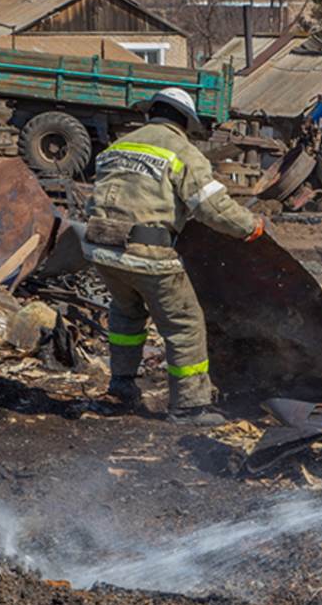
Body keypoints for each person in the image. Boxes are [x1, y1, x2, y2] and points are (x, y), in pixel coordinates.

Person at [81, 87, 264, 427]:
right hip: (149, 254)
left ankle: (121, 386)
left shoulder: (118, 146)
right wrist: (249, 227)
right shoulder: (182, 151)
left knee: (125, 315)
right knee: (184, 324)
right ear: (184, 121)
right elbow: (211, 207)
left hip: (103, 249)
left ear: (153, 113)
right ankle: (190, 407)